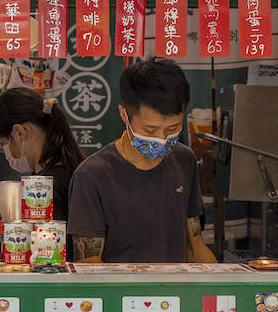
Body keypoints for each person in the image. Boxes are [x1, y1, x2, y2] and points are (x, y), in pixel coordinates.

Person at [67, 57, 217, 264]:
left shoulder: (184, 159)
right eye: (150, 130)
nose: (162, 139)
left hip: (175, 294)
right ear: (124, 115)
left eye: (172, 129)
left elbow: (195, 247)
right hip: (121, 294)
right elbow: (89, 265)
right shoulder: (93, 175)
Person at [0, 86, 85, 221]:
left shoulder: (48, 189)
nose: (6, 153)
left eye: (3, 144)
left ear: (19, 133)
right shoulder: (67, 173)